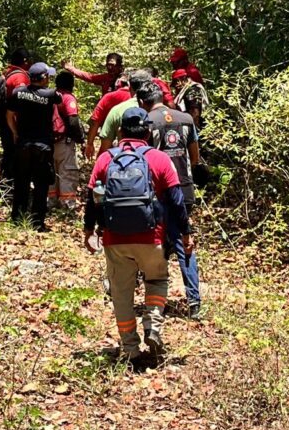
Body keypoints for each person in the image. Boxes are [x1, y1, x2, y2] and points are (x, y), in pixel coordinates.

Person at [84, 107, 193, 360]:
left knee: (121, 293)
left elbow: (92, 199)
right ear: (147, 132)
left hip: (114, 239)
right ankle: (152, 324)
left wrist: (89, 231)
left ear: (121, 131)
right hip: (152, 237)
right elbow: (177, 201)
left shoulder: (105, 159)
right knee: (157, 279)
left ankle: (131, 350)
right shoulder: (159, 159)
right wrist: (186, 234)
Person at [137, 81, 204, 319]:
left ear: (142, 102)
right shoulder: (186, 119)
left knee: (156, 245)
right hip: (184, 190)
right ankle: (194, 302)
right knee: (184, 243)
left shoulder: (147, 122)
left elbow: (144, 159)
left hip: (158, 192)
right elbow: (195, 157)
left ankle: (157, 300)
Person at [7, 62, 62, 231]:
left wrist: (15, 133)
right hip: (42, 146)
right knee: (41, 185)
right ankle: (37, 223)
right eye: (48, 76)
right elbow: (60, 101)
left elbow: (9, 115)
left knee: (21, 182)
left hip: (23, 144)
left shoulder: (18, 93)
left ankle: (17, 218)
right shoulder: (51, 94)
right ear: (43, 77)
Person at [0, 48, 32, 190]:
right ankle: (12, 188)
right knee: (15, 155)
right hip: (13, 123)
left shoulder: (8, 72)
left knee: (9, 152)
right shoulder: (20, 77)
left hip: (5, 120)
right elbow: (21, 100)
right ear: (25, 61)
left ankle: (6, 185)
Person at [49, 70, 84, 211]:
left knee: (51, 170)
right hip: (64, 141)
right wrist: (80, 138)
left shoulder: (50, 95)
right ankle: (67, 204)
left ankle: (50, 200)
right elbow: (73, 120)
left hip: (48, 140)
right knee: (67, 171)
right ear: (71, 84)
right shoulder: (68, 98)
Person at [97, 70, 153, 154]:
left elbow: (105, 147)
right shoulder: (157, 110)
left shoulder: (117, 110)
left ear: (129, 87)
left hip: (123, 159)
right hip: (154, 160)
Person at [83, 76, 131, 160]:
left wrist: (89, 144)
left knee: (105, 160)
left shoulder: (108, 97)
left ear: (118, 84)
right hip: (132, 144)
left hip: (109, 139)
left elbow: (95, 122)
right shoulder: (138, 98)